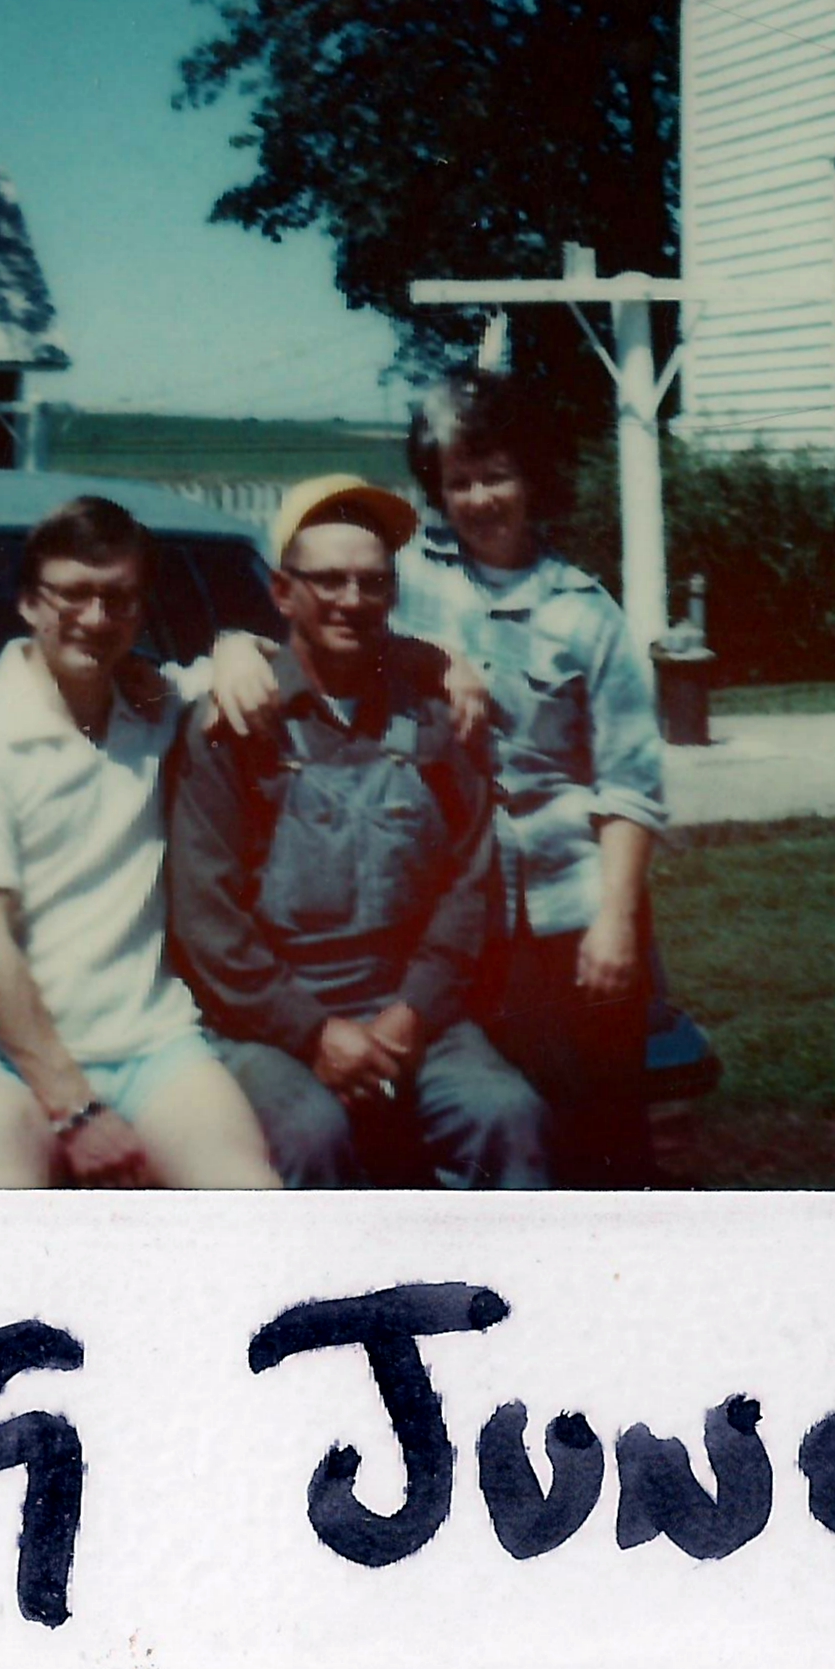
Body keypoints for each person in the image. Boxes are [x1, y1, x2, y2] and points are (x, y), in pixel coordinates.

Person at [167, 475, 550, 1189]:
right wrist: (311, 1031)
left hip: (412, 1010)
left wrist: (412, 1012)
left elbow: (468, 886)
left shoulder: (437, 718)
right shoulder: (232, 724)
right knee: (308, 1134)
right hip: (266, 1023)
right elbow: (207, 922)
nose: (352, 600)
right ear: (284, 593)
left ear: (393, 596)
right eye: (329, 581)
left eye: (372, 583)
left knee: (505, 1112)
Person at [0, 496, 279, 1190]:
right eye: (72, 594)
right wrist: (75, 1109)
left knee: (254, 1205)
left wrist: (235, 644)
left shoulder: (155, 703)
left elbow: (279, 665)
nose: (96, 618)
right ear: (26, 602)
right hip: (15, 1062)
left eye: (118, 599)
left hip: (157, 1044)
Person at [398, 368, 669, 1187]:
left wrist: (614, 923)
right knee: (483, 1127)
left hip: (570, 915)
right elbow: (325, 624)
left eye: (496, 475)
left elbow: (630, 787)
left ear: (531, 477)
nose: (479, 498)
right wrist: (440, 656)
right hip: (454, 915)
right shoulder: (406, 582)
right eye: (459, 481)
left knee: (600, 1140)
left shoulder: (589, 612)